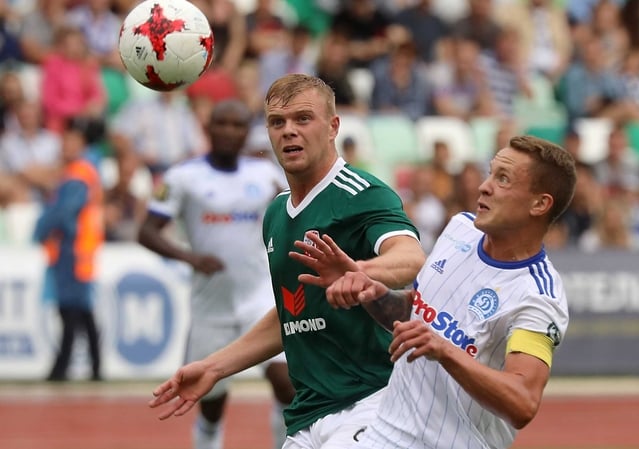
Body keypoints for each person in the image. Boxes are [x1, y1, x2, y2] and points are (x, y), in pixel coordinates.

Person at [148, 74, 427, 449]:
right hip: (309, 414)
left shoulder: (362, 194)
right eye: (277, 122)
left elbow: (410, 257)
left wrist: (359, 272)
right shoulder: (276, 213)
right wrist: (213, 368)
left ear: (333, 127)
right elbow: (290, 315)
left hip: (373, 401)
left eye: (302, 119)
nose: (288, 131)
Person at [312, 135, 575, 449]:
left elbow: (523, 403)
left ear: (540, 204)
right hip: (384, 432)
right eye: (490, 172)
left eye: (502, 179)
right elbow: (419, 312)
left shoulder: (538, 296)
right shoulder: (459, 229)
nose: (484, 186)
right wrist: (372, 293)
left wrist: (446, 350)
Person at [137, 100, 293, 449]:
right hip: (211, 308)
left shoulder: (266, 174)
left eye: (237, 125)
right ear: (208, 129)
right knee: (210, 403)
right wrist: (190, 257)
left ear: (247, 132)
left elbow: (289, 218)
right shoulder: (182, 177)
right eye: (221, 124)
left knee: (287, 383)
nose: (228, 132)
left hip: (259, 300)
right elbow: (146, 231)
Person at [34, 118, 104, 382]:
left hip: (72, 250)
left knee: (70, 310)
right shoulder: (81, 171)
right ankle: (94, 368)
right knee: (81, 311)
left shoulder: (78, 174)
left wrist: (40, 230)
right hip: (79, 250)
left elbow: (63, 213)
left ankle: (61, 369)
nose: (66, 146)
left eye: (72, 141)